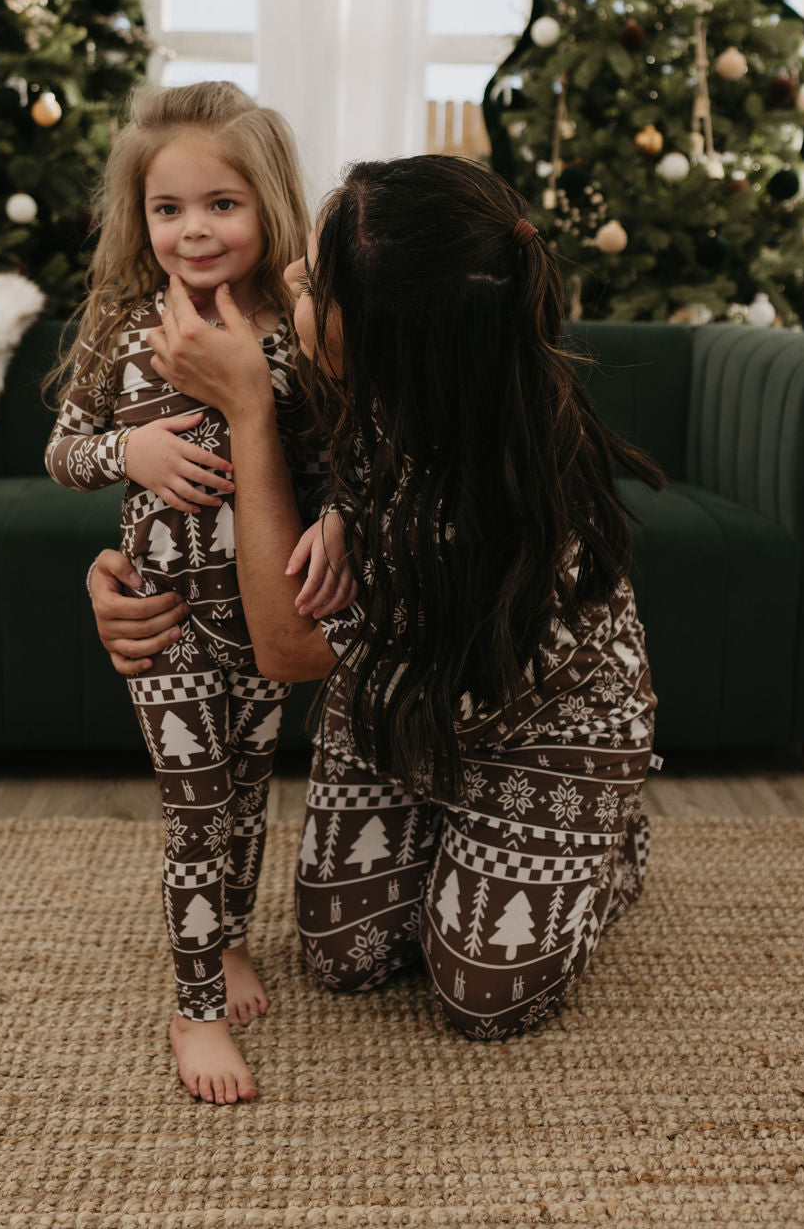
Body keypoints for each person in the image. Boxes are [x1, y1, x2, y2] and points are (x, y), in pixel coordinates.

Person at [90, 153, 665, 1063]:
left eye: (313, 282)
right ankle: (447, 826)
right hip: (403, 701)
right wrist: (123, 573)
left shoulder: (478, 496)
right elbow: (221, 525)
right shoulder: (388, 377)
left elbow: (284, 648)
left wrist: (244, 407)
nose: (286, 277)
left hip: (539, 729)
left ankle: (611, 839)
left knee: (481, 993)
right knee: (343, 954)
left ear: (385, 337)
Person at [46, 82, 353, 1107]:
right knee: (195, 806)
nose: (193, 229)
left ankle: (228, 941)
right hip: (167, 618)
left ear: (268, 204)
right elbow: (62, 448)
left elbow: (328, 462)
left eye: (221, 203)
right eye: (168, 208)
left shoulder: (298, 331)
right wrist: (124, 451)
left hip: (266, 616)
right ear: (140, 217)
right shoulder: (126, 326)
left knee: (251, 790)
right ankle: (193, 1004)